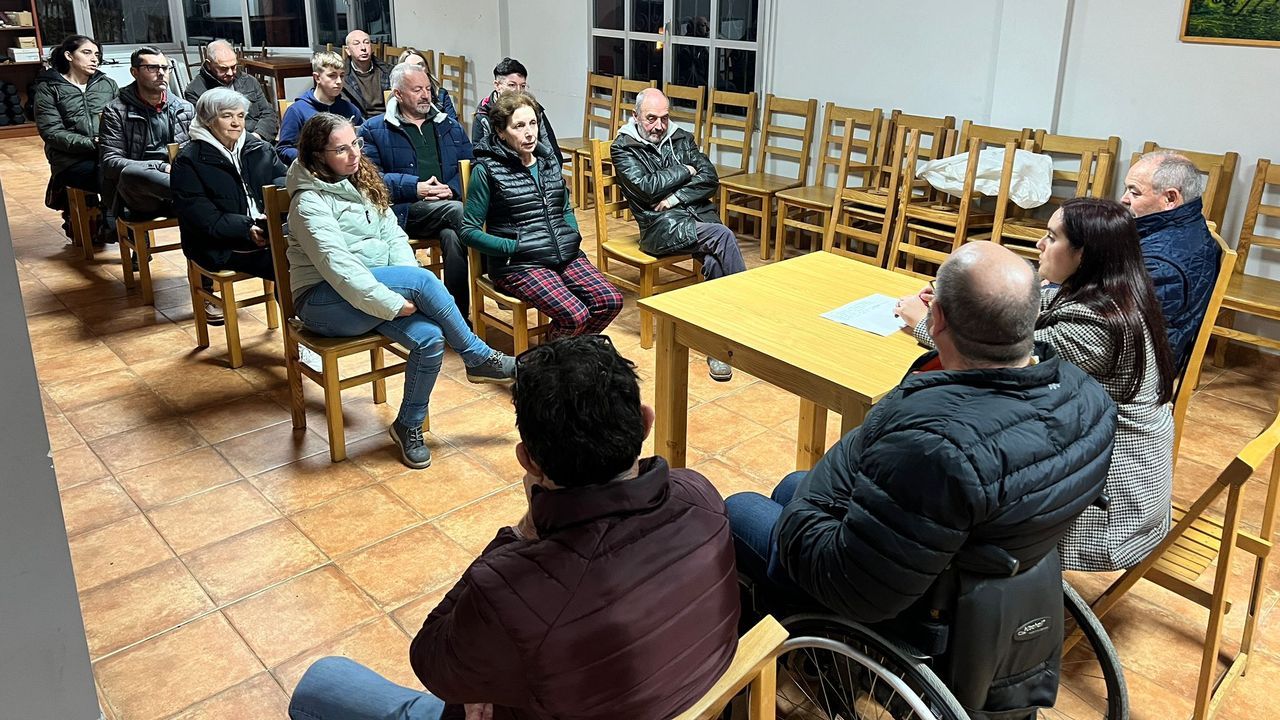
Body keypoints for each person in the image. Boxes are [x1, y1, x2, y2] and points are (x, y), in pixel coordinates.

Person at [730, 241, 1117, 714]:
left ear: (936, 322)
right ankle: (811, 651)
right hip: (998, 567)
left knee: (741, 509)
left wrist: (883, 427)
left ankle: (779, 644)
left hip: (924, 606)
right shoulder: (1089, 398)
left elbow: (857, 586)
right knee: (791, 483)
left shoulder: (934, 440)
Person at [288, 335, 741, 720]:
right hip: (680, 698)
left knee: (321, 684)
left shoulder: (510, 589)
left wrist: (525, 530)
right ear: (645, 423)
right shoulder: (701, 496)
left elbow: (431, 660)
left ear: (528, 461)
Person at [899, 199, 1176, 572]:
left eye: (1051, 237)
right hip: (1090, 455)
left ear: (1084, 254)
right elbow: (1028, 302)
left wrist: (927, 325)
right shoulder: (1107, 290)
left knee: (959, 479)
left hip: (1113, 502)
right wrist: (959, 297)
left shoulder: (1099, 324)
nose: (1038, 245)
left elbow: (1004, 358)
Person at [286, 113, 514, 469]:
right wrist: (393, 302)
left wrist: (401, 287)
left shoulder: (362, 181)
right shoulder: (308, 202)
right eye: (341, 150)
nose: (353, 155)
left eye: (355, 144)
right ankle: (477, 356)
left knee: (430, 338)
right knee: (423, 281)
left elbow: (393, 236)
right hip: (322, 300)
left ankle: (407, 425)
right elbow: (339, 268)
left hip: (368, 294)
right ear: (318, 155)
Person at [462, 92, 623, 340]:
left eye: (533, 123)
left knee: (610, 301)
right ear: (501, 131)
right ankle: (553, 364)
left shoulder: (548, 161)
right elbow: (468, 231)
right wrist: (513, 246)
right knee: (575, 314)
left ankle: (562, 352)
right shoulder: (486, 170)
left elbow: (565, 206)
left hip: (563, 253)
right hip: (519, 264)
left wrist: (572, 233)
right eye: (519, 126)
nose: (529, 133)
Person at [611, 87, 747, 381]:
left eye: (664, 117)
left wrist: (674, 197)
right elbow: (646, 188)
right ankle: (744, 316)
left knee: (714, 260)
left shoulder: (682, 138)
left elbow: (710, 178)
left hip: (695, 219)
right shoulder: (623, 148)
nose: (659, 126)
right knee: (722, 237)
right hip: (659, 228)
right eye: (651, 119)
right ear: (635, 117)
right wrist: (686, 170)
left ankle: (717, 346)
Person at [359, 63, 473, 319]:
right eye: (417, 90)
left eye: (428, 89)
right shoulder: (374, 129)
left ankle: (455, 316)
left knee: (454, 239)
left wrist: (451, 189)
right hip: (403, 213)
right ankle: (493, 272)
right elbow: (370, 179)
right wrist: (416, 188)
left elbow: (470, 164)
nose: (425, 95)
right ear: (398, 94)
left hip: (447, 207)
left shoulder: (448, 125)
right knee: (460, 213)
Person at [171, 87, 287, 324]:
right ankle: (299, 337)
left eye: (241, 116)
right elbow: (202, 217)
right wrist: (247, 229)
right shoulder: (188, 160)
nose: (236, 123)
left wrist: (275, 217)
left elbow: (284, 184)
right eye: (227, 116)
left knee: (313, 254)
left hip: (268, 231)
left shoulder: (260, 149)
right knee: (289, 264)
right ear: (208, 120)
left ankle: (307, 327)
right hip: (219, 245)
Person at [1121, 150, 1220, 371]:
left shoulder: (1163, 266)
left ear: (1170, 199)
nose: (1124, 199)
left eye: (1134, 192)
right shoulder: (1185, 226)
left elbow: (1119, 329)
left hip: (1138, 371)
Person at [33, 35, 118, 243]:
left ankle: (119, 227)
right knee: (112, 173)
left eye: (97, 54)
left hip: (105, 155)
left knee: (126, 172)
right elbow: (51, 131)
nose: (94, 59)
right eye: (87, 53)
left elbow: (120, 120)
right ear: (69, 55)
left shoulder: (107, 84)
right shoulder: (49, 88)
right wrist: (92, 144)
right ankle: (116, 226)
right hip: (70, 161)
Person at [181, 39, 279, 144]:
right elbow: (205, 130)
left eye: (234, 67)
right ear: (209, 65)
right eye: (223, 68)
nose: (230, 73)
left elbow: (269, 114)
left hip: (258, 140)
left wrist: (257, 136)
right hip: (224, 148)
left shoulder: (249, 81)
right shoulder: (195, 90)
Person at [277, 51, 364, 163]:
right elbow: (283, 149)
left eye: (341, 76)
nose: (339, 81)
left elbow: (363, 138)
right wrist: (312, 160)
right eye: (332, 76)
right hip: (312, 170)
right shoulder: (297, 111)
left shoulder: (350, 109)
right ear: (317, 78)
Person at [470, 57, 562, 162]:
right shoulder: (484, 114)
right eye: (512, 85)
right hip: (500, 172)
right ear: (497, 85)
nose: (518, 92)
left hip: (535, 169)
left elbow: (552, 152)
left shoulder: (533, 109)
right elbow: (481, 157)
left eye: (522, 86)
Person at [396, 48, 460, 123]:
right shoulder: (399, 97)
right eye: (411, 67)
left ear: (427, 68)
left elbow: (454, 123)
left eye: (420, 65)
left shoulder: (440, 94)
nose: (418, 69)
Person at [341, 29, 391, 116]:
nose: (363, 48)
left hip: (386, 119)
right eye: (356, 44)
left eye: (366, 43)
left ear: (371, 47)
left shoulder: (387, 71)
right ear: (348, 50)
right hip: (359, 121)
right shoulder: (342, 76)